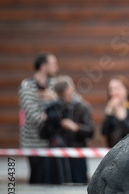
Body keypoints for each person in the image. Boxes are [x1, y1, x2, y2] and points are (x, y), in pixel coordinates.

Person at [39, 76, 94, 184]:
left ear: (72, 89)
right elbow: (42, 134)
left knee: (78, 186)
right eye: (61, 96)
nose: (65, 98)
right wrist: (46, 120)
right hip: (57, 158)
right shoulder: (53, 107)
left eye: (66, 94)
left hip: (76, 156)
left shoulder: (82, 107)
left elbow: (91, 132)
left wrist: (76, 127)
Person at [19, 53, 59, 184]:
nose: (56, 67)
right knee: (37, 179)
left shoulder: (54, 85)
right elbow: (33, 116)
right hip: (33, 142)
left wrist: (53, 99)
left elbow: (62, 108)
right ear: (43, 67)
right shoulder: (27, 86)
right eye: (53, 64)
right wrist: (52, 117)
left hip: (52, 142)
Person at [101, 76, 129, 147]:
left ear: (126, 90)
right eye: (111, 89)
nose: (114, 92)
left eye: (117, 88)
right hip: (114, 152)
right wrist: (108, 114)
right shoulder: (111, 112)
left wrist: (123, 120)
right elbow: (105, 133)